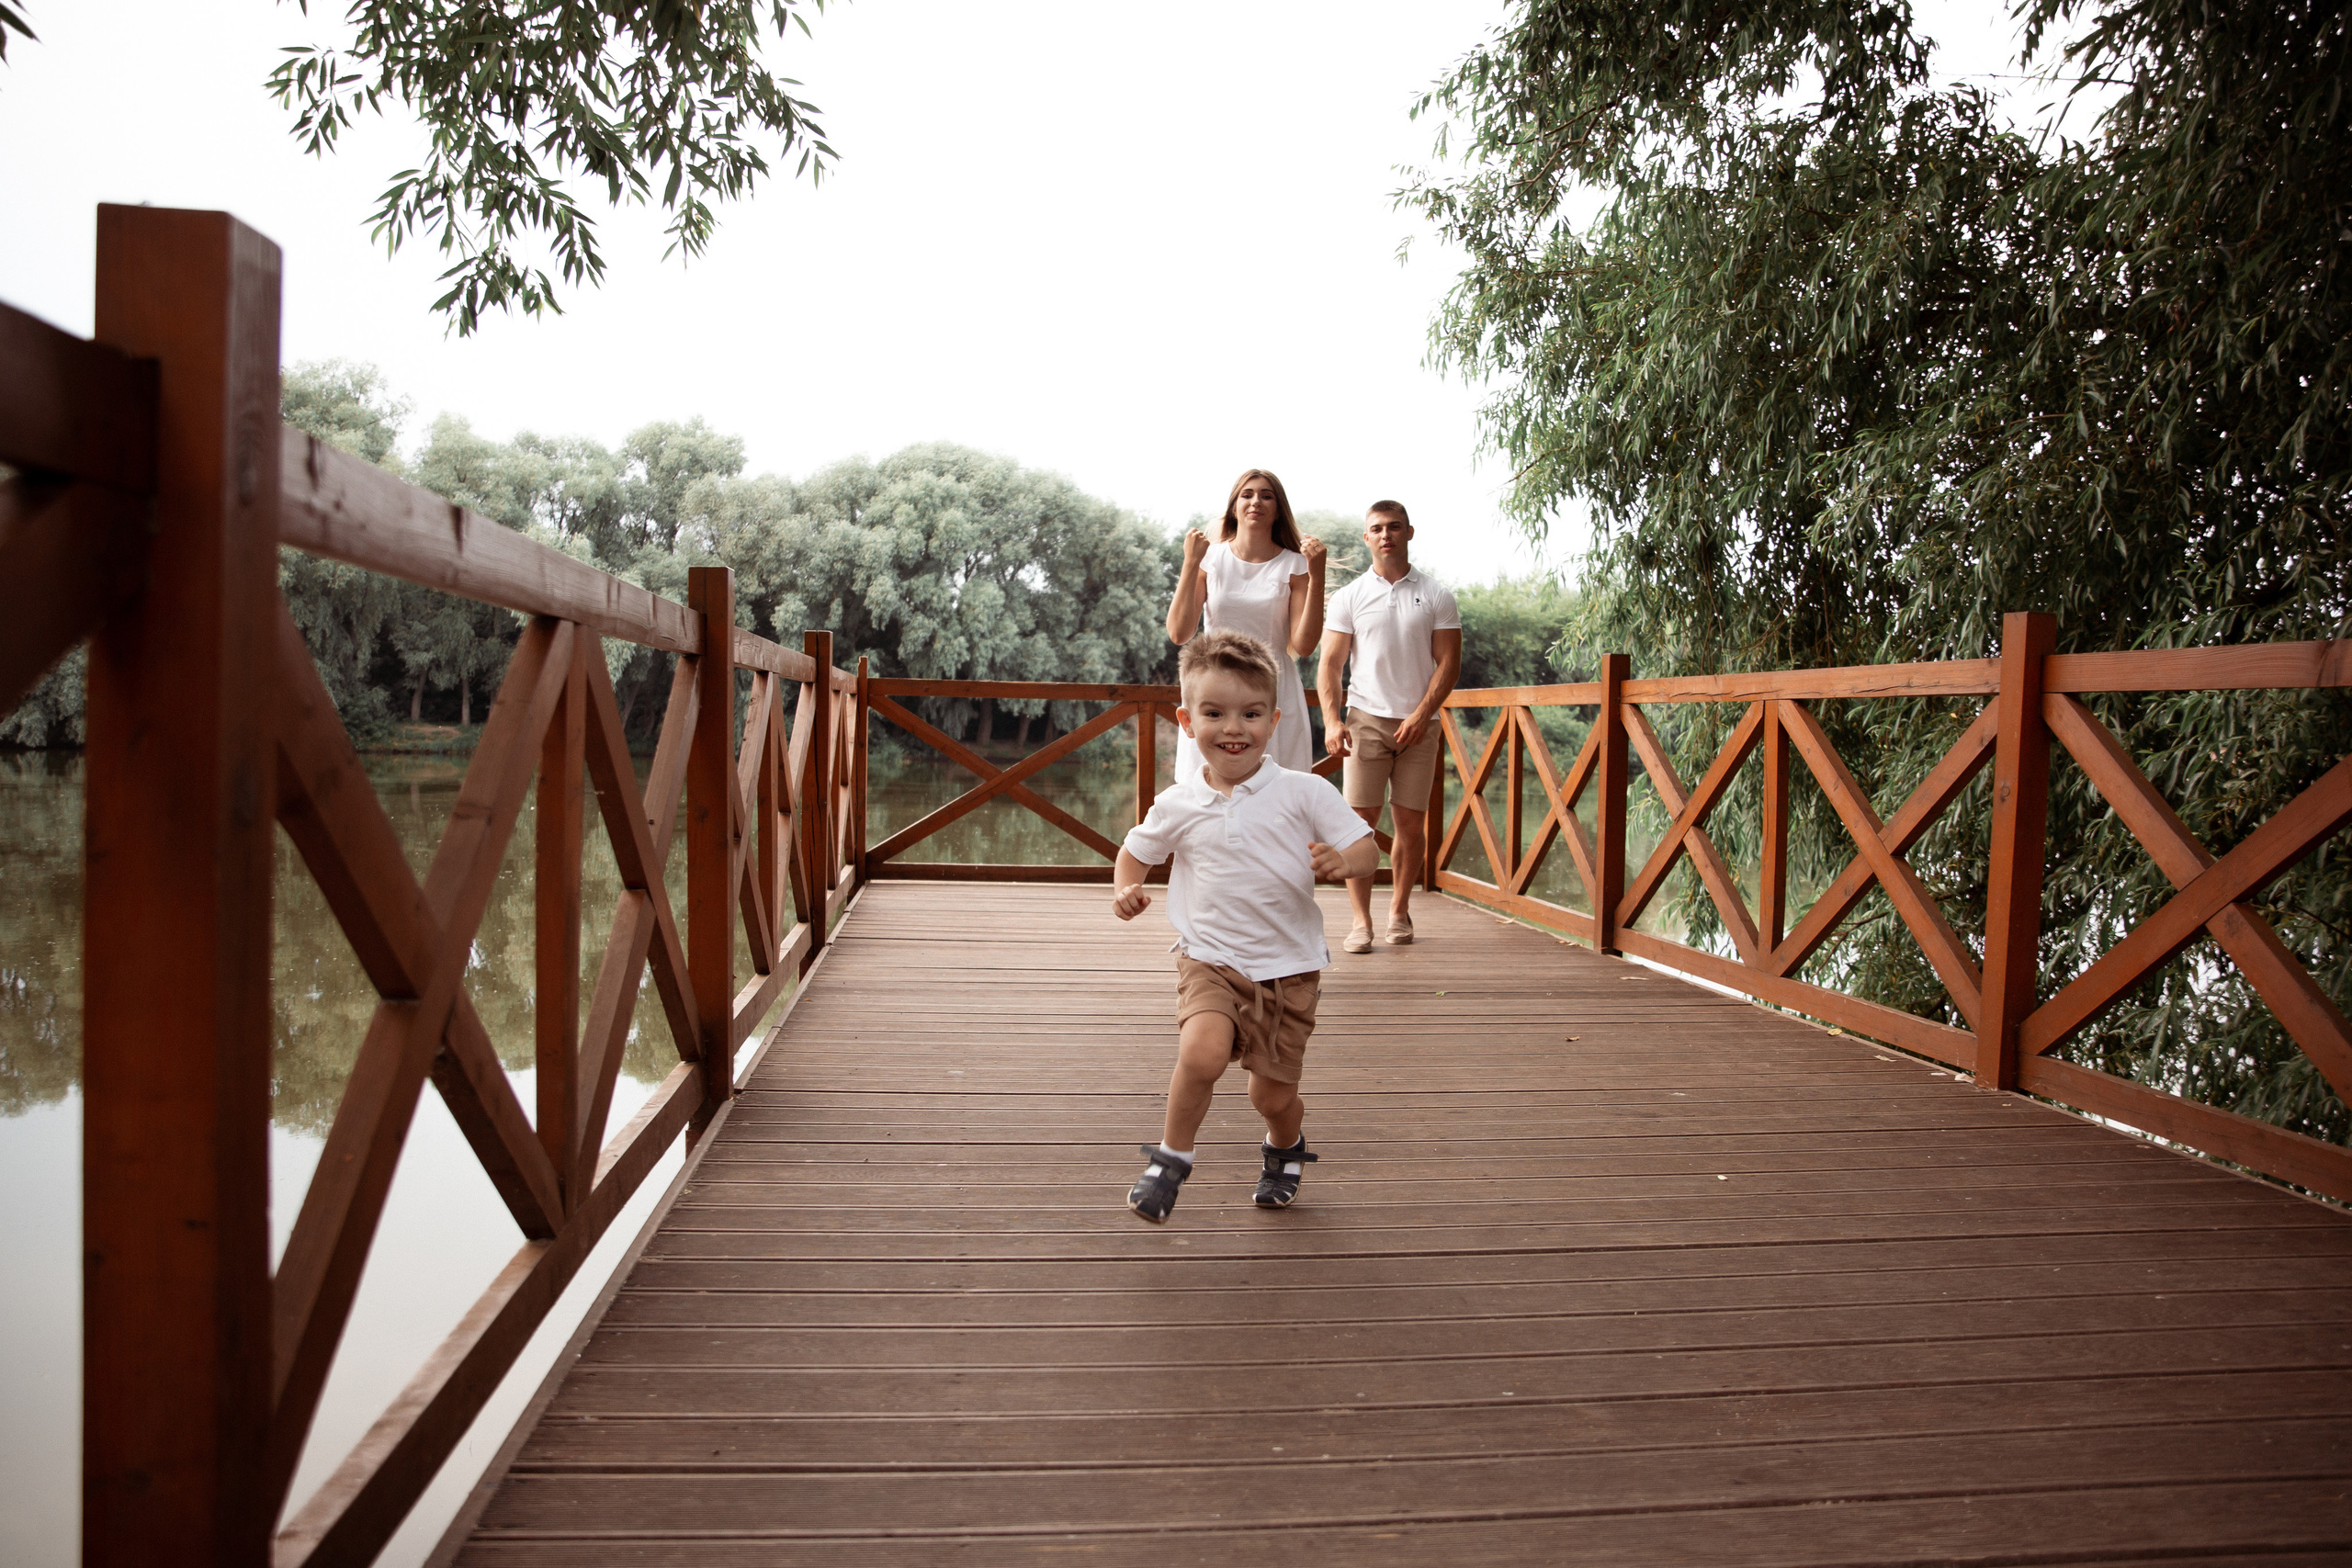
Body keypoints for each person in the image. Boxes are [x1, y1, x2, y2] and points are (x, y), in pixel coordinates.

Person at [1111, 629, 1377, 1223]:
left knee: (1270, 1095)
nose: (1233, 728)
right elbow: (1135, 852)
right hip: (1209, 957)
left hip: (1289, 970)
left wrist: (1344, 861)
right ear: (1186, 719)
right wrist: (1125, 888)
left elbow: (1367, 848)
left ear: (1275, 719)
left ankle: (1285, 1144)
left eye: (1251, 713)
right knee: (1201, 1053)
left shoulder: (1303, 790)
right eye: (1214, 712)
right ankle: (1171, 1159)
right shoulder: (1179, 801)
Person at [1317, 500, 1463, 954]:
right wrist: (1332, 720)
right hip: (1365, 721)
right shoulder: (1350, 596)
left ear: (1409, 532)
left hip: (1421, 724)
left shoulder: (1437, 594)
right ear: (1366, 538)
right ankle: (1361, 922)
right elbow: (1330, 664)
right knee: (1357, 826)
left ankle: (1399, 910)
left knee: (1411, 825)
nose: (1386, 535)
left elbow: (1449, 662)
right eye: (1377, 529)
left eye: (1394, 527)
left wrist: (1422, 714)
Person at [1165, 468, 1328, 778]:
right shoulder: (1209, 558)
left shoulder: (1295, 565)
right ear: (1234, 506)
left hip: (1270, 686)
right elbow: (1178, 632)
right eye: (1247, 494)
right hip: (1214, 681)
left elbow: (1305, 645)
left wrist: (1317, 576)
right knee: (1206, 794)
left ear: (1278, 510)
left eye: (1267, 496)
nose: (1256, 501)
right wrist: (1190, 562)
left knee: (1276, 798)